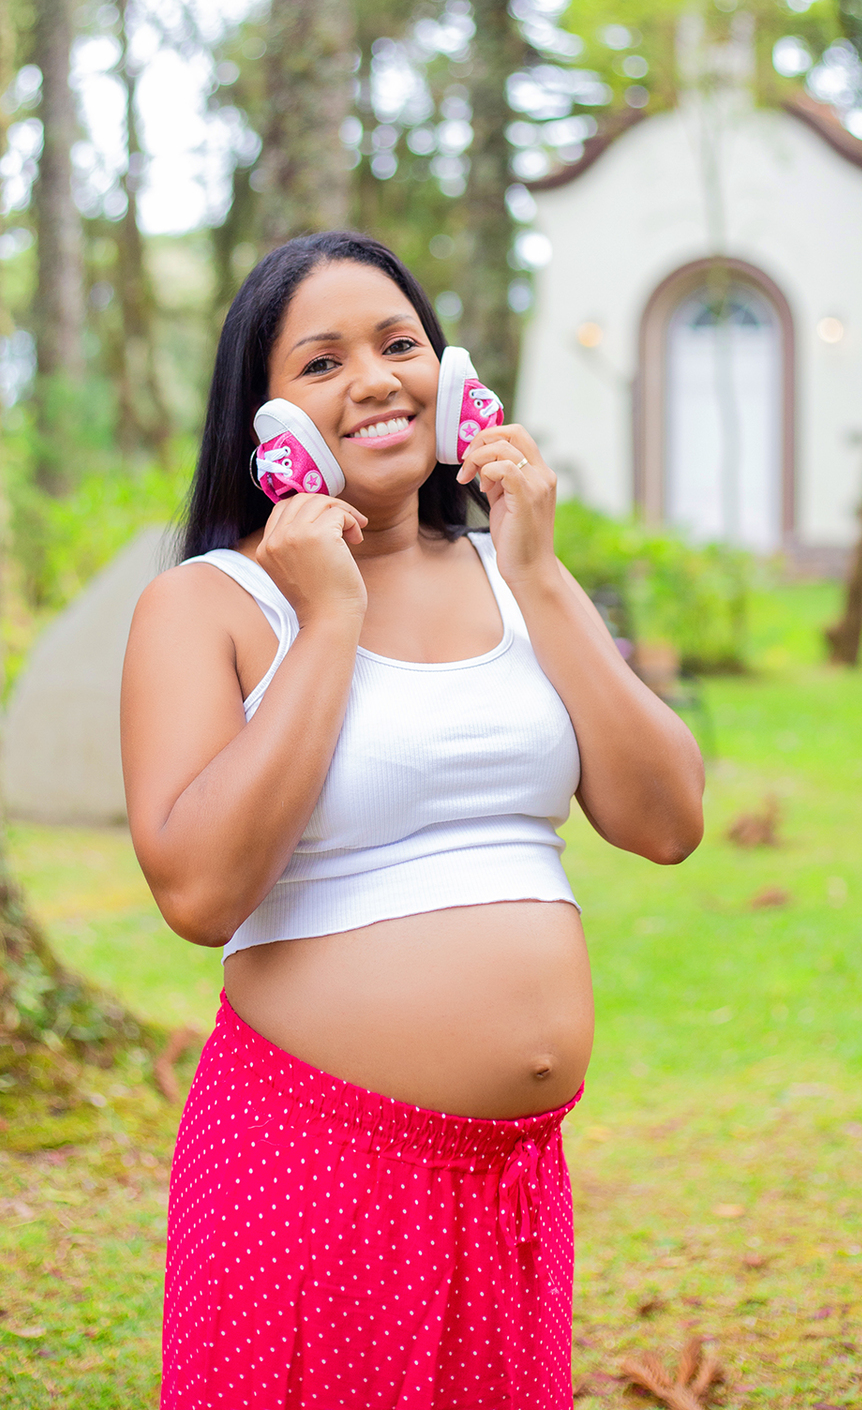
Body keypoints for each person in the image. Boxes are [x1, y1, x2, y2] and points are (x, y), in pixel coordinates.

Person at [121, 231, 704, 1410]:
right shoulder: (208, 606)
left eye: (400, 344)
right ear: (265, 420)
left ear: (453, 378)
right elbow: (197, 892)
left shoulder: (517, 574)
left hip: (509, 1186)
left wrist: (539, 574)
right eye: (322, 362)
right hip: (308, 1167)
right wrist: (326, 621)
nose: (378, 378)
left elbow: (666, 818)